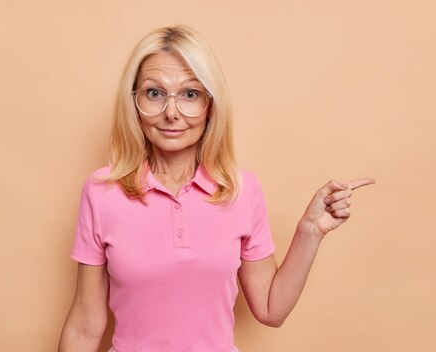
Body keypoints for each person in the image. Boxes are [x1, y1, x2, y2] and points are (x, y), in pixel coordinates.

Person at [57, 25, 374, 352]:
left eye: (190, 94)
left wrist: (310, 230)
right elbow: (84, 327)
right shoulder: (101, 192)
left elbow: (270, 308)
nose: (171, 112)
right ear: (134, 102)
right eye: (154, 93)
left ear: (211, 104)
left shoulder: (241, 189)